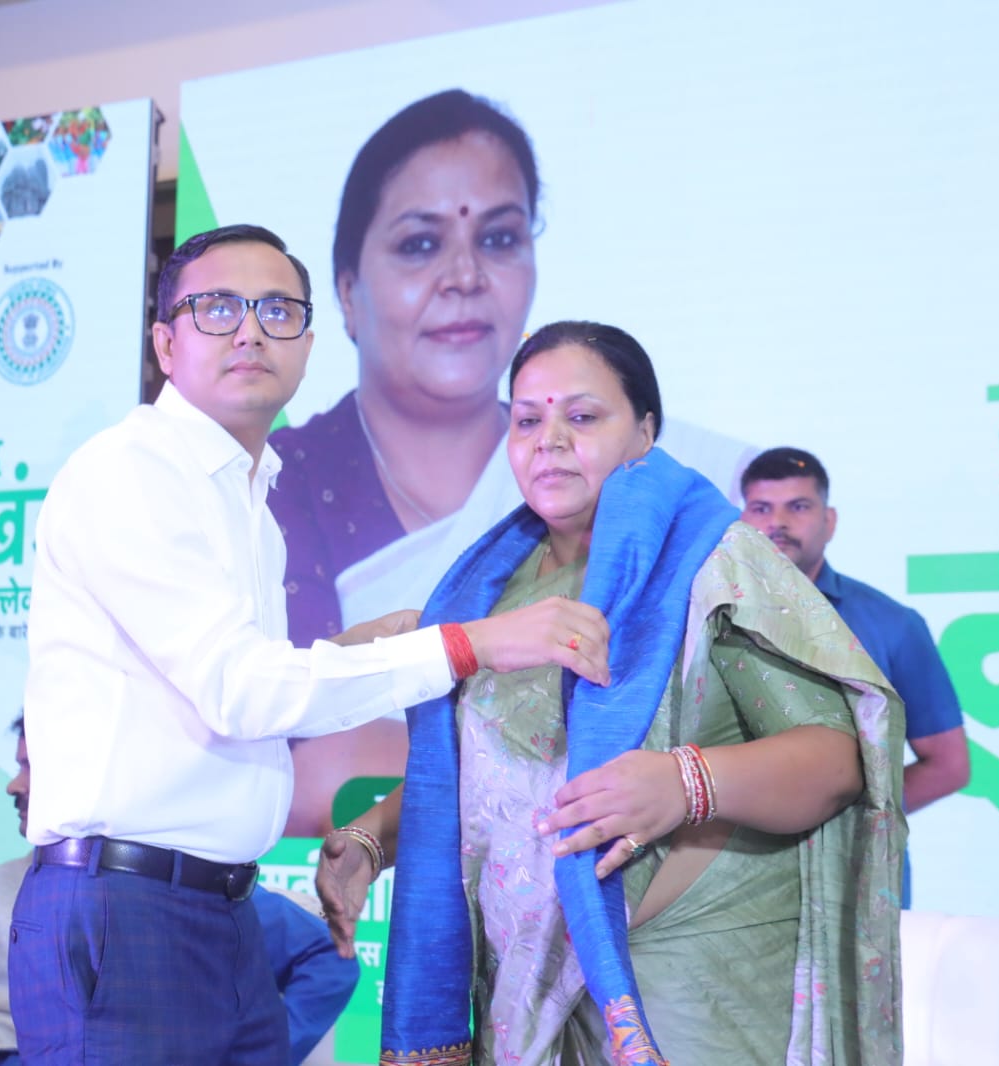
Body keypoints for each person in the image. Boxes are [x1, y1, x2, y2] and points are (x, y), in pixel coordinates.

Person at [11, 223, 611, 1064]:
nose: (250, 331)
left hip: (217, 909)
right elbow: (242, 691)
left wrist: (349, 647)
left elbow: (227, 684)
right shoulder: (133, 473)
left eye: (277, 310)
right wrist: (467, 645)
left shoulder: (249, 496)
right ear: (165, 343)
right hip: (127, 909)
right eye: (217, 308)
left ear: (308, 342)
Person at [317, 322, 904, 1065]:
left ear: (645, 432)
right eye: (527, 420)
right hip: (521, 989)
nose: (550, 440)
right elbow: (503, 779)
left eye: (583, 416)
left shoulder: (710, 562)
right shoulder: (488, 585)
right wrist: (373, 838)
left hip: (685, 986)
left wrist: (685, 782)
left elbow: (837, 759)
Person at [270, 88, 759, 836]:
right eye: (420, 244)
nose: (465, 276)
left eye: (498, 238)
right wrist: (372, 835)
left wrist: (682, 781)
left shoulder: (710, 525)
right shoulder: (279, 484)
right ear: (346, 290)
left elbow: (820, 748)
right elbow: (291, 749)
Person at [0, 716, 358, 1066]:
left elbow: (330, 958)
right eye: (18, 765)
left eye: (32, 768)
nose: (13, 785)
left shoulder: (177, 885)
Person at [739, 445, 971, 907]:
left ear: (830, 521)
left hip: (857, 876)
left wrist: (853, 819)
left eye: (798, 507)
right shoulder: (708, 614)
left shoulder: (892, 624)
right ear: (741, 521)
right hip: (736, 867)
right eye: (761, 508)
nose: (777, 523)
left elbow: (949, 765)